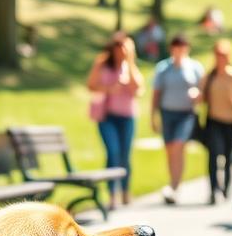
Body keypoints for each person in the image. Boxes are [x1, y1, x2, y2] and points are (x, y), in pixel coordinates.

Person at [87, 31, 144, 209]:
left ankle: (125, 190)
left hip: (127, 117)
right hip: (107, 116)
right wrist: (108, 89)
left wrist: (129, 61)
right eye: (118, 48)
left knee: (125, 154)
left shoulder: (130, 66)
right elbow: (91, 85)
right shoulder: (102, 63)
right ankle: (112, 193)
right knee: (113, 152)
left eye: (124, 49)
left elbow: (138, 89)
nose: (121, 52)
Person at [152, 34, 204, 204]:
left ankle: (175, 186)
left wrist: (197, 94)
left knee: (178, 146)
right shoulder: (163, 68)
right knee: (169, 149)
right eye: (176, 47)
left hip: (186, 114)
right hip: (167, 113)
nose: (179, 51)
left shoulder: (195, 67)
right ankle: (173, 181)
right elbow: (156, 93)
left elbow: (203, 91)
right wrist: (153, 116)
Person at [202, 39, 232, 204]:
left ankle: (226, 188)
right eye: (217, 54)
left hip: (231, 123)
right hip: (214, 121)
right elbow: (202, 97)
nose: (220, 57)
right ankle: (213, 190)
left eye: (223, 54)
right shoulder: (210, 76)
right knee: (214, 155)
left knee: (228, 157)